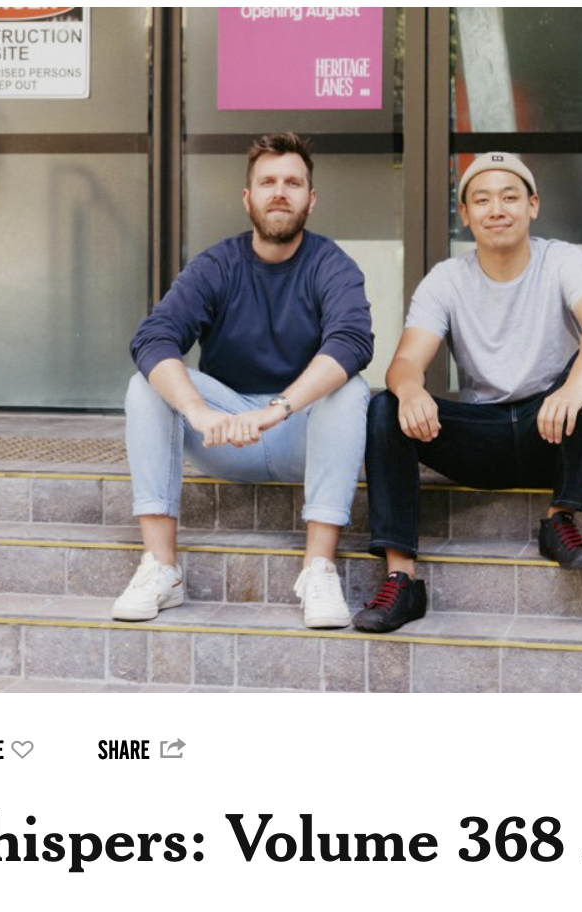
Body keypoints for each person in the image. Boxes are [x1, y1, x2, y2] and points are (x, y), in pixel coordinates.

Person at [354, 152, 582, 634]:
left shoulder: (562, 259)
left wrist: (575, 383)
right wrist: (412, 389)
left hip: (550, 429)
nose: (496, 209)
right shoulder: (446, 279)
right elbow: (403, 362)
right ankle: (403, 579)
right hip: (480, 438)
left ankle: (560, 519)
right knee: (385, 405)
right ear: (465, 214)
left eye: (509, 197)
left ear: (533, 205)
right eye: (481, 199)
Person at [118, 132, 373, 629]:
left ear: (311, 199)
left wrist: (277, 409)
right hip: (226, 434)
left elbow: (352, 342)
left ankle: (318, 570)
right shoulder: (217, 265)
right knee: (144, 384)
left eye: (293, 182)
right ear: (248, 197)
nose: (280, 192)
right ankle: (161, 569)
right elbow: (154, 336)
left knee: (352, 388)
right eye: (268, 182)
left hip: (300, 431)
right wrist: (198, 410)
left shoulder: (331, 265)